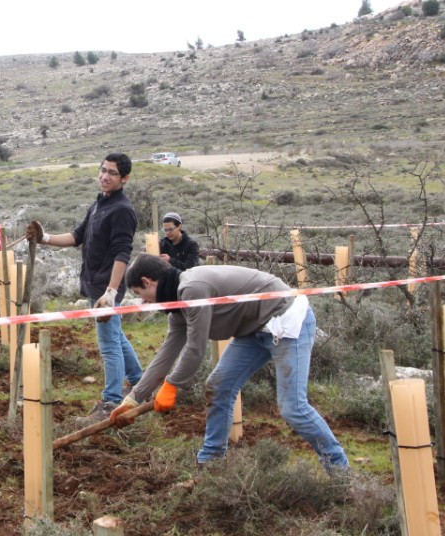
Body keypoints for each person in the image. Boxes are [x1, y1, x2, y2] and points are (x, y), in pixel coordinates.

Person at [109, 253, 349, 472]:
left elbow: (196, 348)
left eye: (140, 294)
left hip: (285, 320)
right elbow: (168, 352)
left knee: (293, 408)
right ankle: (211, 462)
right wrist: (134, 398)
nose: (143, 303)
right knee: (219, 386)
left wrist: (172, 385)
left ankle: (339, 471)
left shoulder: (192, 289)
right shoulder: (178, 307)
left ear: (148, 282)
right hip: (254, 330)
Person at [26, 152, 143, 424]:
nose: (104, 176)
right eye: (103, 170)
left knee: (108, 344)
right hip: (94, 284)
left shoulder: (122, 210)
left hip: (106, 288)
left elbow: (122, 254)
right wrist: (45, 238)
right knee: (116, 337)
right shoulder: (100, 203)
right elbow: (77, 236)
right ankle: (140, 384)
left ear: (124, 179)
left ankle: (111, 402)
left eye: (112, 173)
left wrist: (111, 292)